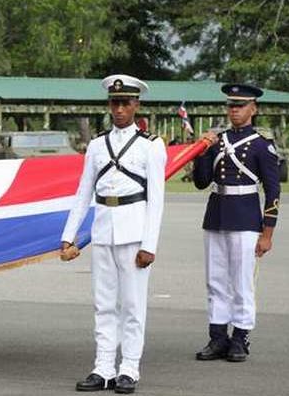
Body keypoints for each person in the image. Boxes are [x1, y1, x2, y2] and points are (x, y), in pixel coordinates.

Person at [59, 75, 166, 394]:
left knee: (133, 305)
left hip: (134, 232)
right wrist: (70, 235)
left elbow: (157, 199)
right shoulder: (96, 145)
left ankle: (129, 368)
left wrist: (150, 244)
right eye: (114, 103)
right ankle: (103, 367)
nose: (119, 109)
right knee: (104, 304)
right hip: (103, 230)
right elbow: (83, 193)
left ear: (136, 105)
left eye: (125, 103)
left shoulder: (152, 145)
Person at [192, 84, 280, 363]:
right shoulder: (217, 140)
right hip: (216, 215)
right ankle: (218, 337)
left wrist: (267, 234)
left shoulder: (261, 143)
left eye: (240, 105)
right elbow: (202, 182)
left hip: (245, 218)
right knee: (215, 281)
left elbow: (273, 191)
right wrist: (202, 151)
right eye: (231, 105)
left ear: (253, 109)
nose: (234, 110)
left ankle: (240, 338)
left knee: (242, 282)